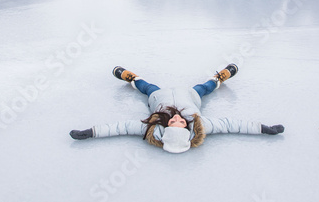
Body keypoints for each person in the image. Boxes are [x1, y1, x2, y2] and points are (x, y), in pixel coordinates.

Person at [70, 64, 284, 154]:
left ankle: (131, 77)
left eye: (173, 122)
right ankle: (221, 76)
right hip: (191, 95)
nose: (177, 119)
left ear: (165, 128)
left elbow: (119, 127)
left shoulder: (150, 128)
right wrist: (265, 128)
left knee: (145, 86)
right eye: (181, 123)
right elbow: (233, 125)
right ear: (187, 130)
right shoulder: (202, 125)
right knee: (205, 87)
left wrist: (91, 133)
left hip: (157, 95)